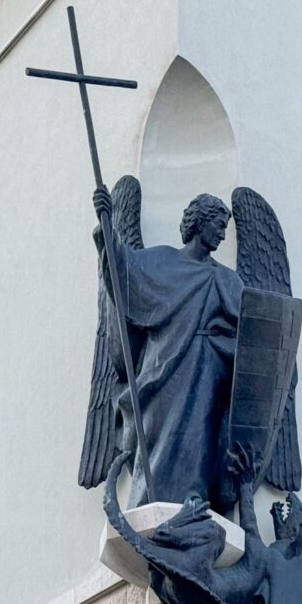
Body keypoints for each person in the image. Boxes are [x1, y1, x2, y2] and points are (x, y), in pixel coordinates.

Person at [93, 187, 244, 513]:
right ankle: (149, 502)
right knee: (159, 436)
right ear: (199, 223)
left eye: (224, 227)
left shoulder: (228, 281)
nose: (221, 233)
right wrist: (107, 231)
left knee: (197, 437)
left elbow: (249, 336)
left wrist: (218, 343)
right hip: (163, 370)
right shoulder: (163, 262)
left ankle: (192, 502)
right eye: (217, 224)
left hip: (206, 373)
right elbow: (126, 277)